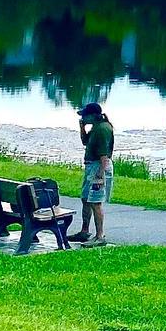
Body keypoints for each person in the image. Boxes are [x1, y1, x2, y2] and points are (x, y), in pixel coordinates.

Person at [71, 102, 115, 245]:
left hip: (98, 168)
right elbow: (85, 142)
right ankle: (85, 231)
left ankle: (99, 236)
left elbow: (104, 157)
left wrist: (100, 176)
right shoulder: (96, 128)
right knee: (86, 199)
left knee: (96, 202)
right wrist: (82, 127)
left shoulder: (102, 130)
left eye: (85, 115)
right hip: (92, 167)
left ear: (92, 115)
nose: (83, 117)